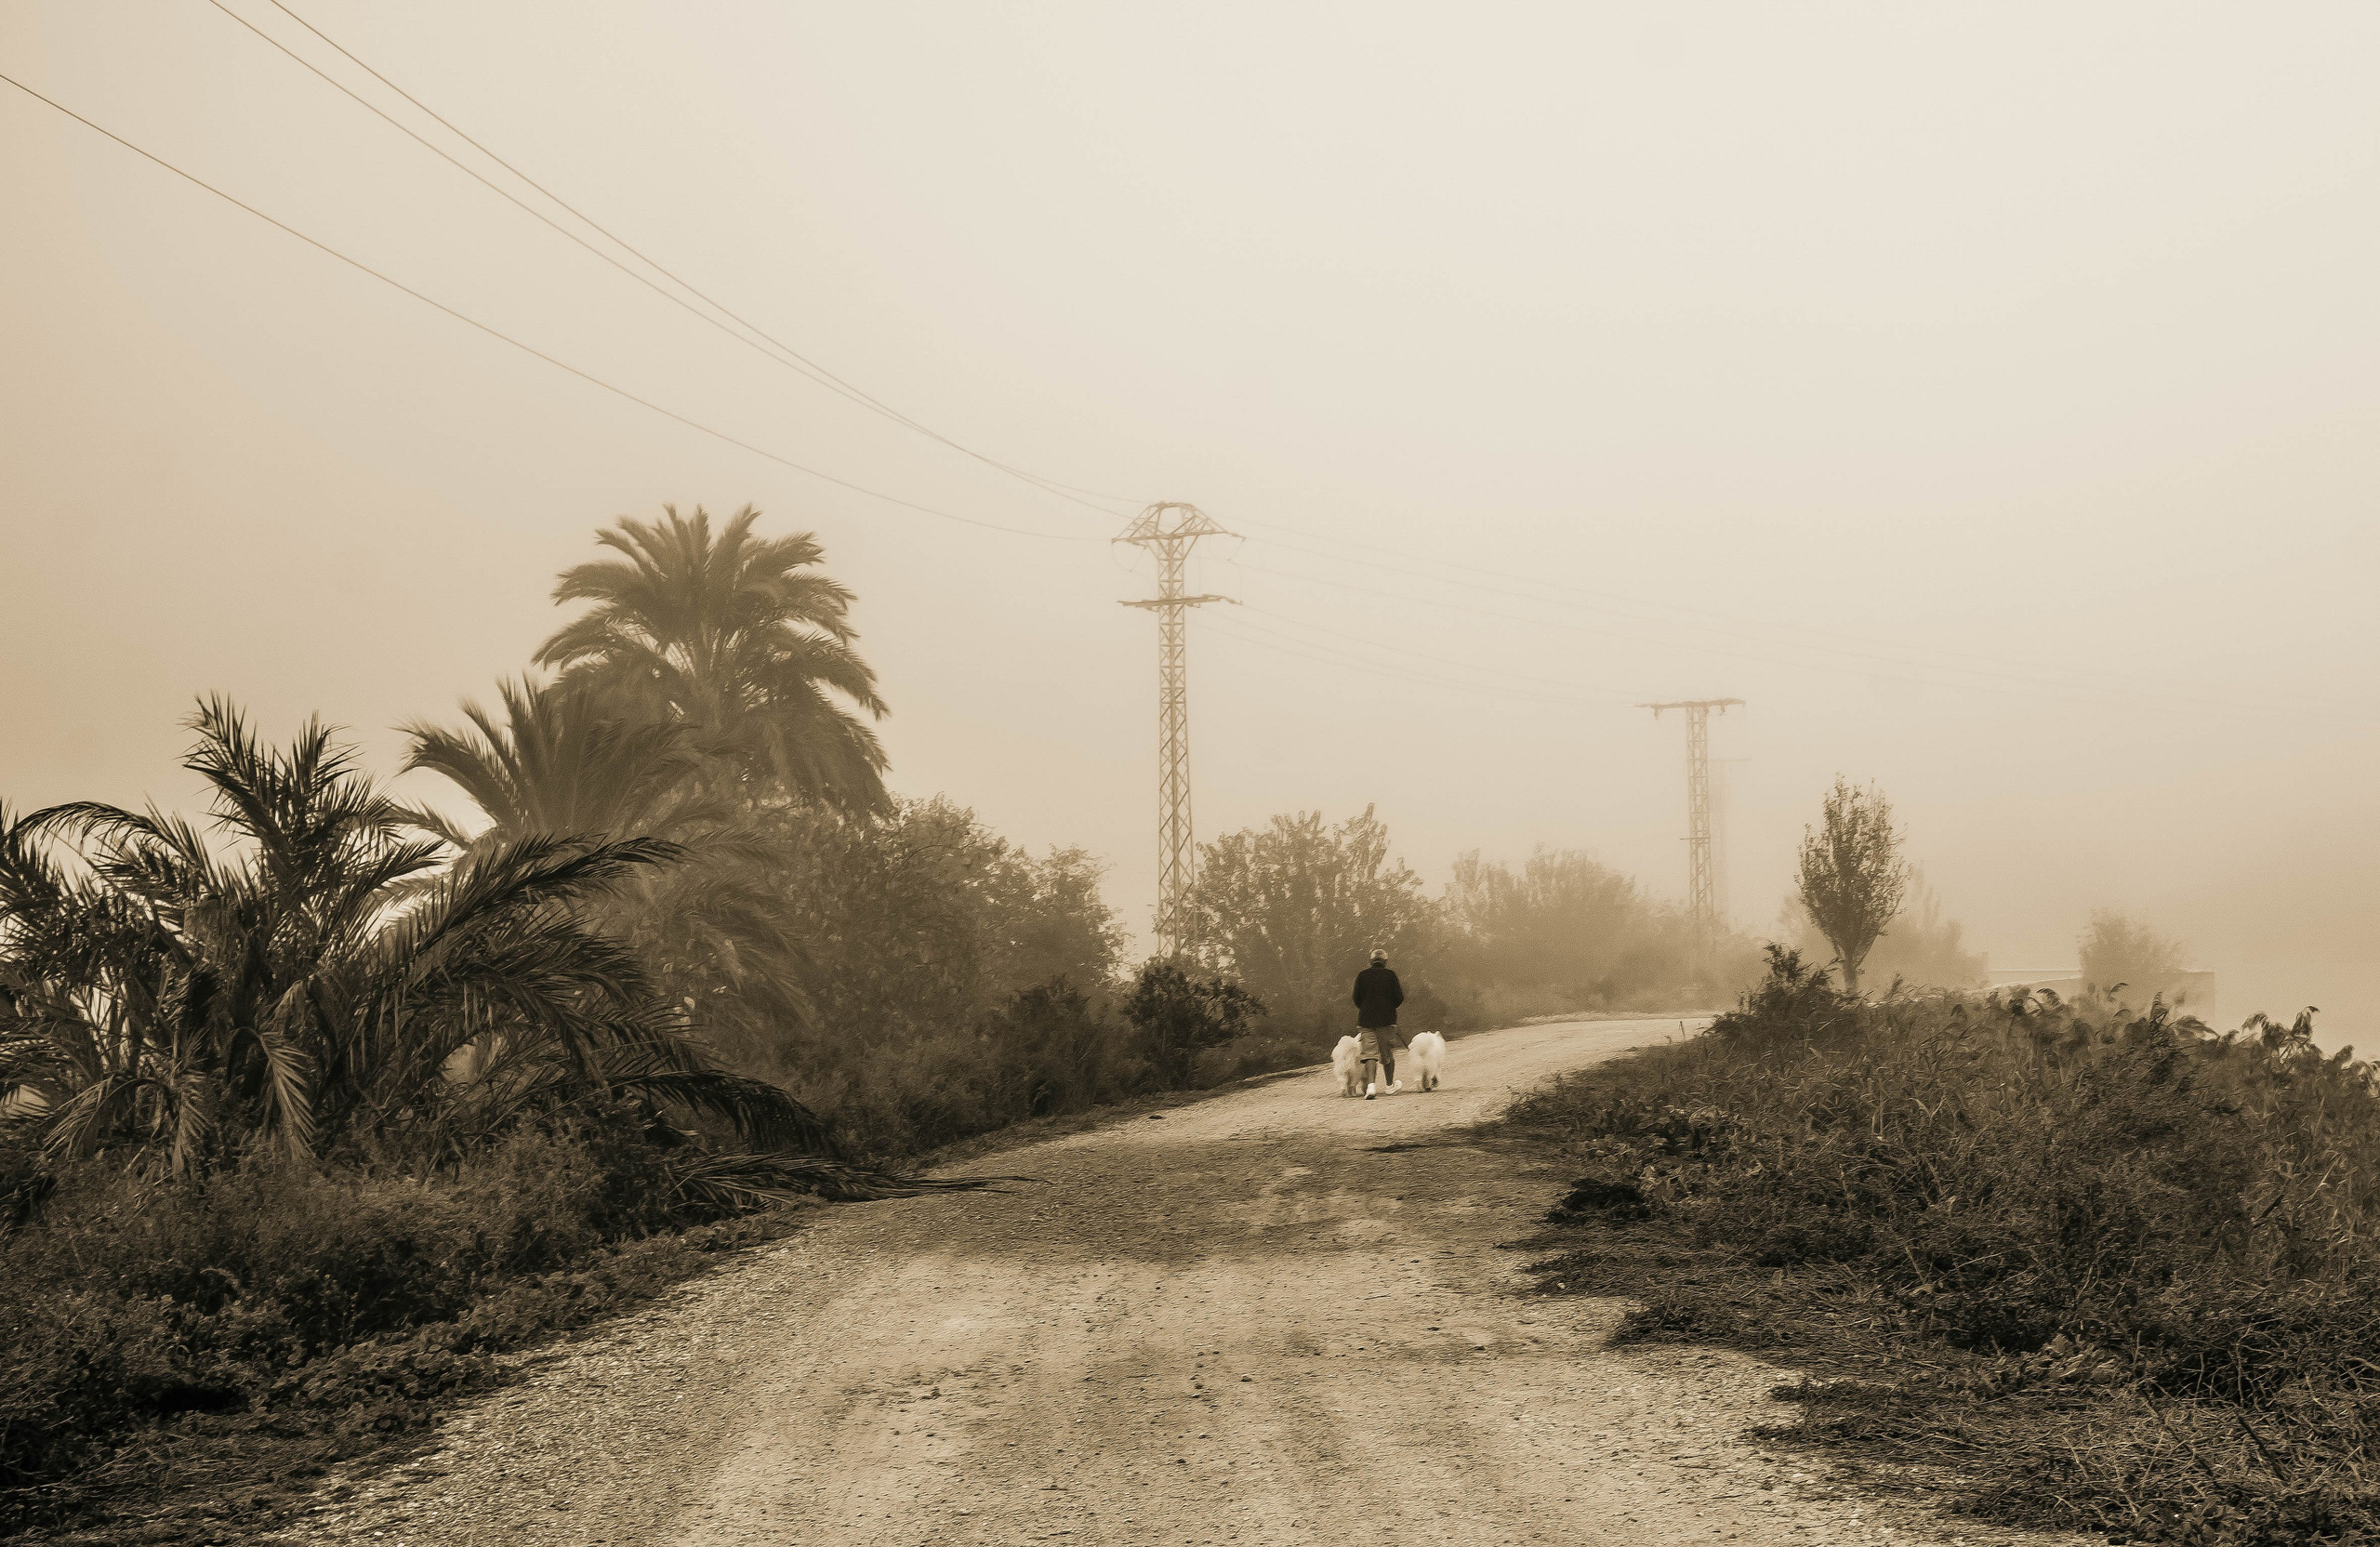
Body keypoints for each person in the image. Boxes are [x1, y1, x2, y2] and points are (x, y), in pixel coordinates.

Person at [1351, 947, 1406, 1100]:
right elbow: (1399, 997)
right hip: (1386, 1021)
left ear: (1371, 961)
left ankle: (1371, 1087)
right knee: (1387, 1054)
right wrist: (1388, 1007)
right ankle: (1389, 1086)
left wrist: (1367, 1008)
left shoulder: (1362, 975)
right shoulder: (1390, 975)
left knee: (1370, 1055)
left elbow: (1356, 998)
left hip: (1366, 1021)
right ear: (1385, 962)